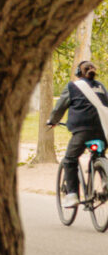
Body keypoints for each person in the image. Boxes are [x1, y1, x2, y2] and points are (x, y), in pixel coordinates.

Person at [47, 59, 108, 207]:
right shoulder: (101, 87)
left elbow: (60, 107)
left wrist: (53, 121)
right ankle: (105, 179)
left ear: (78, 73)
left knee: (69, 160)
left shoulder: (72, 86)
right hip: (103, 130)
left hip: (82, 130)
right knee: (99, 155)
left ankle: (72, 195)